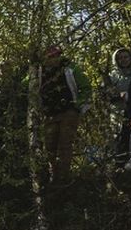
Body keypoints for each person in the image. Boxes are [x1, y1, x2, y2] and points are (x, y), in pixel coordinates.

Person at [37, 45, 91, 182]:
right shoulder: (39, 72)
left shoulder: (70, 68)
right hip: (49, 113)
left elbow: (86, 87)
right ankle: (53, 176)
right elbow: (26, 86)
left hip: (68, 112)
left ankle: (63, 178)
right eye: (51, 57)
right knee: (49, 146)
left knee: (64, 145)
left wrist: (77, 106)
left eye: (57, 55)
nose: (54, 59)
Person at [103, 47, 131, 154]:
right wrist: (118, 94)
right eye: (120, 58)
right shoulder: (112, 76)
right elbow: (106, 93)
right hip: (118, 111)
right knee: (118, 136)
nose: (123, 60)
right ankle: (119, 159)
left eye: (126, 57)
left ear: (130, 58)